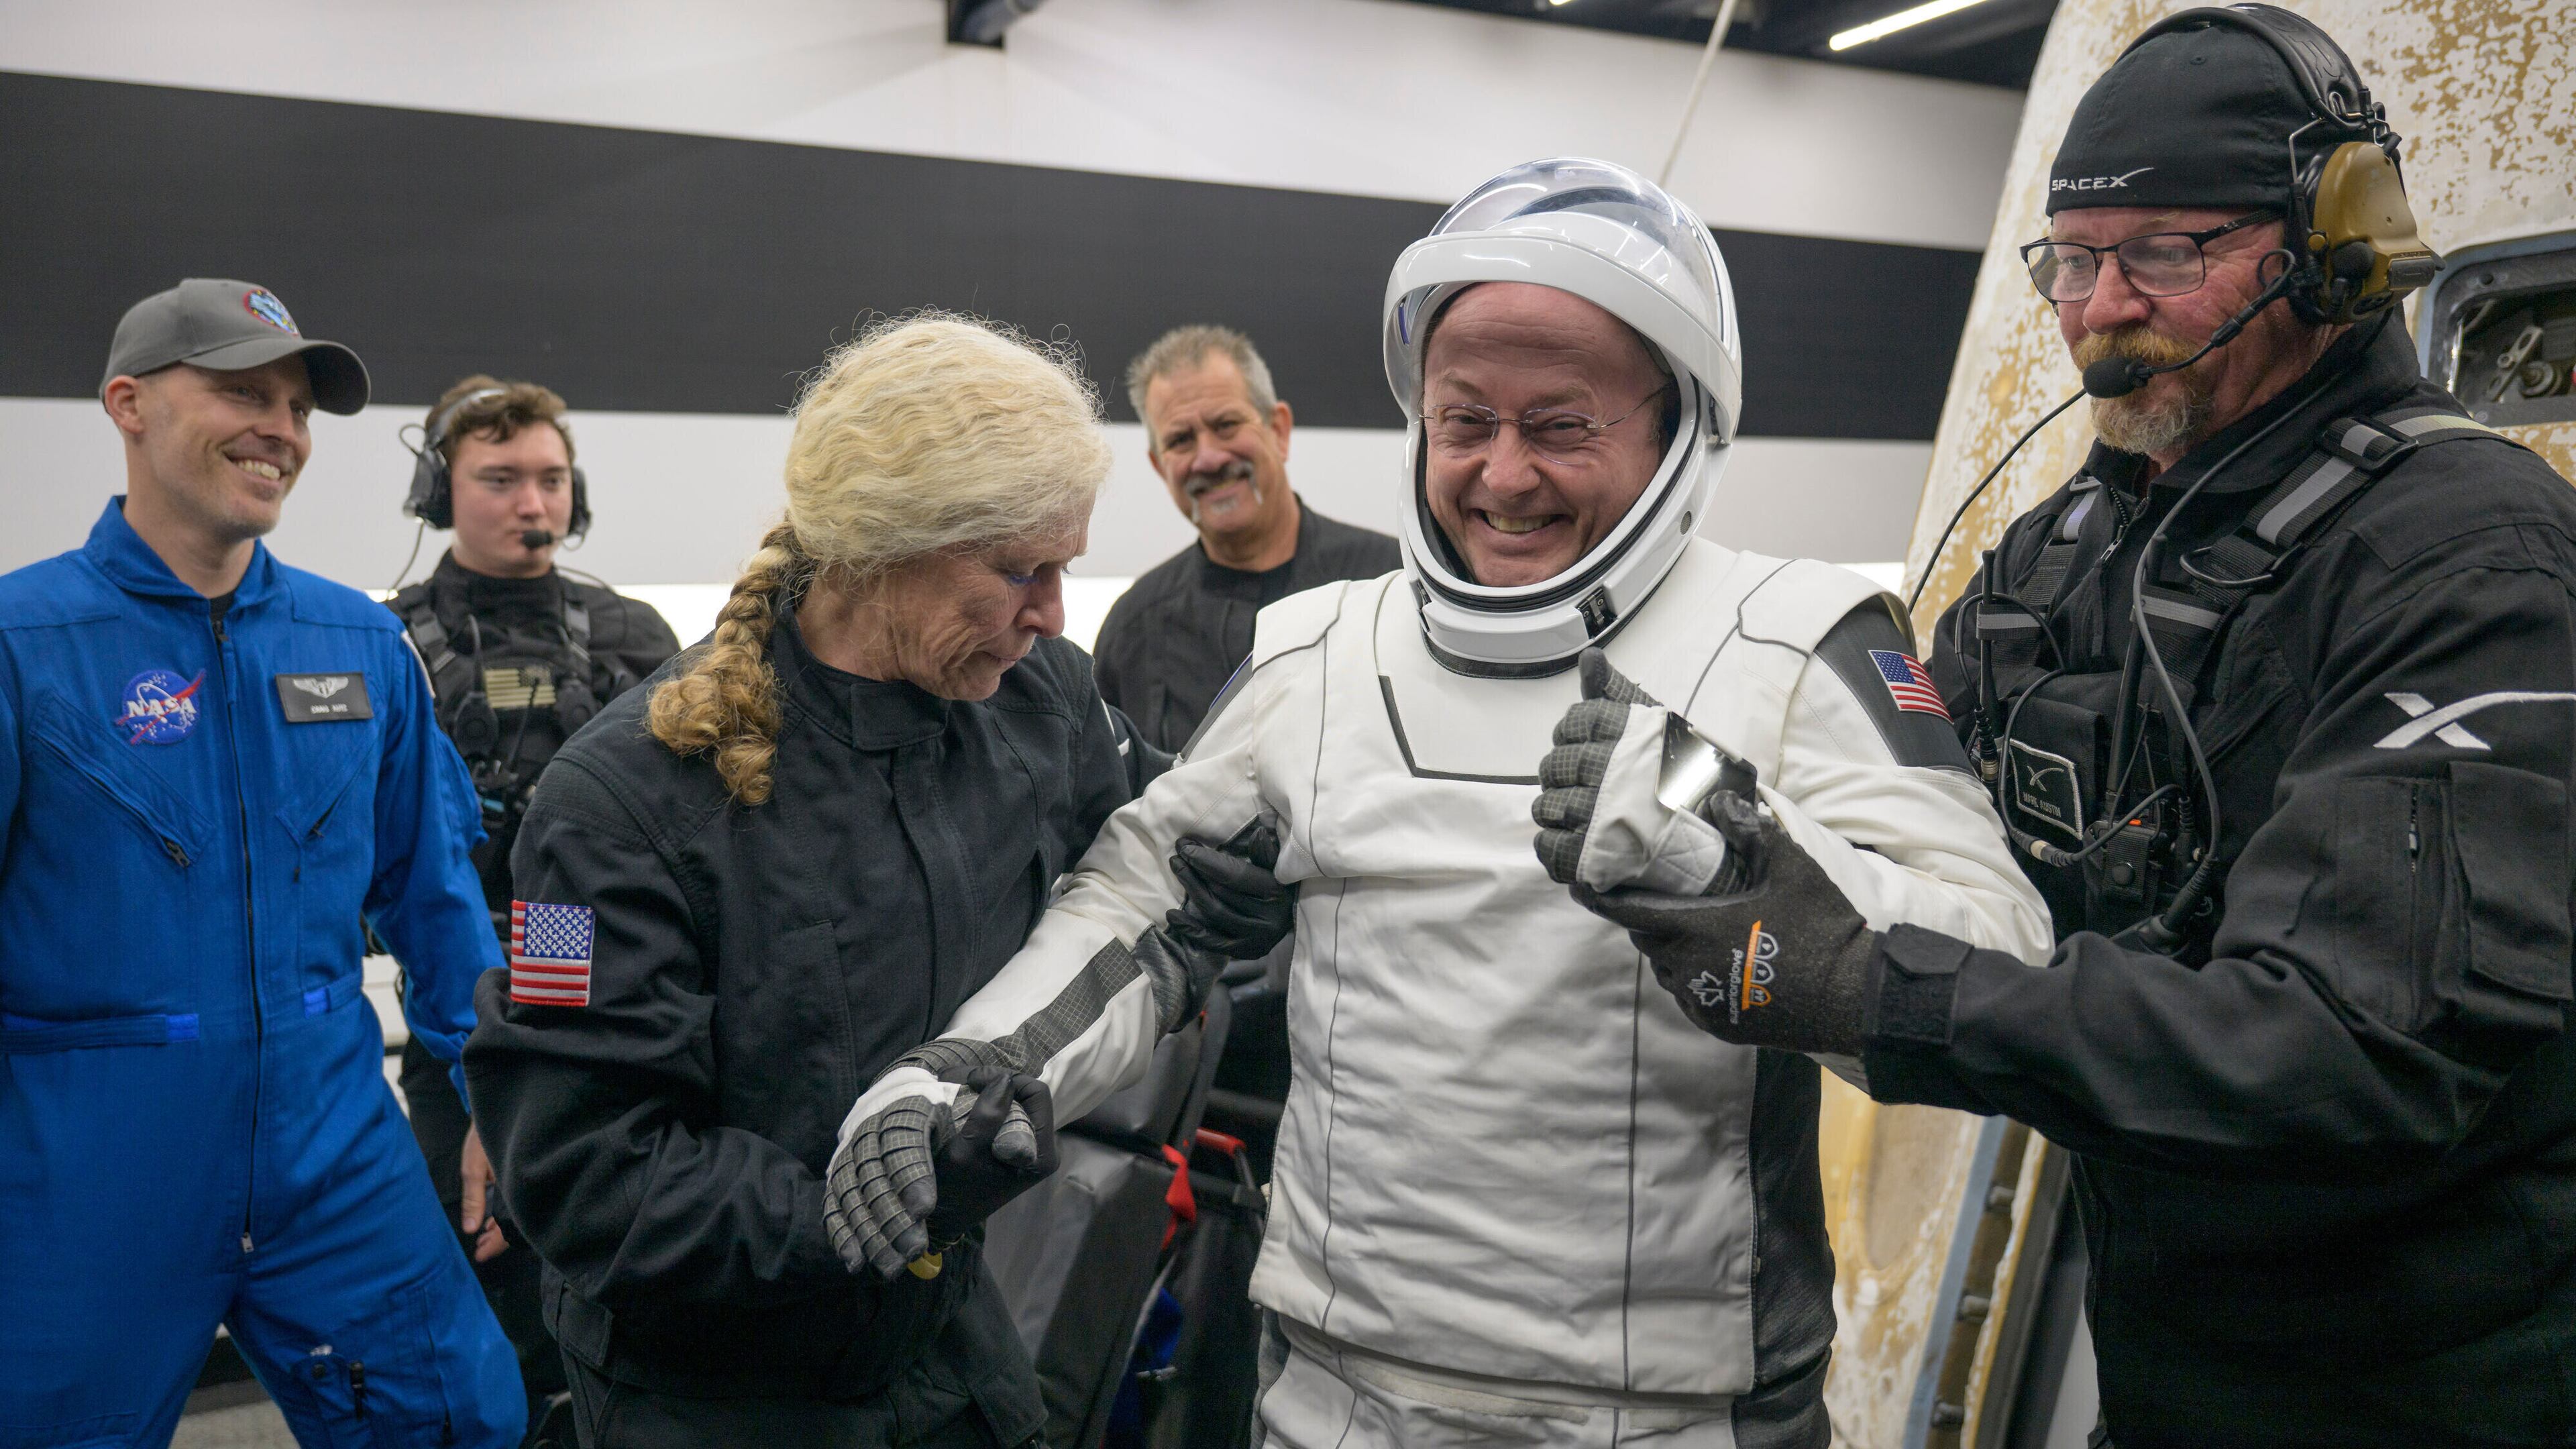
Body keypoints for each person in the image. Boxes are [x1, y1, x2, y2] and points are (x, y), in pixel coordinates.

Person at [826, 161, 2052, 1449]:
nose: (1504, 476)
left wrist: (1730, 842)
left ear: (1680, 430)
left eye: (1562, 426)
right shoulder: (1317, 650)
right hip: (1336, 1397)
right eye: (1467, 421)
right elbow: (1136, 906)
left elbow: (2006, 977)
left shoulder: (1799, 639)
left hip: (1677, 1417)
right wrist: (952, 1076)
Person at [1561, 10, 2576, 1445]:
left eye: (2166, 251)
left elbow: (2347, 1054)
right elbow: (1906, 802)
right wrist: (1691, 787)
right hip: (2170, 1373)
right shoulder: (2074, 541)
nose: (2102, 307)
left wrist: (1877, 993)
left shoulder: (2473, 561)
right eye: (2074, 260)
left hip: (2438, 1394)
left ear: (2334, 248)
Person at [462, 315, 1273, 1448]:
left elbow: (1155, 859)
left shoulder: (1037, 702)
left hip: (942, 1350)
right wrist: (876, 1204)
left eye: (1063, 569)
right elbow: (585, 1173)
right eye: (1019, 572)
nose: (1049, 612)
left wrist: (1223, 896)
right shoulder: (611, 806)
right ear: (884, 547)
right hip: (715, 1396)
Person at [0, 278, 523, 1445]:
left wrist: (504, 1090)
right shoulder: (23, 645)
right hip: (84, 1162)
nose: (281, 428)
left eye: (296, 405)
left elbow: (440, 895)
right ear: (127, 405)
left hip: (332, 1140)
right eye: (243, 392)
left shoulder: (359, 642)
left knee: (461, 1419)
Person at [387, 376, 680, 1431]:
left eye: (551, 480)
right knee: (486, 1279)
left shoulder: (632, 635)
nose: (532, 505)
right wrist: (489, 1077)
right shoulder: (390, 647)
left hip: (631, 1008)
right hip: (458, 1010)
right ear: (440, 493)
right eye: (500, 480)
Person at [1092, 326, 1398, 752]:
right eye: (1180, 440)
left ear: (1279, 430)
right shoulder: (1133, 632)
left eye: (1226, 425)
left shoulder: (1390, 586)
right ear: (1160, 466)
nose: (1210, 458)